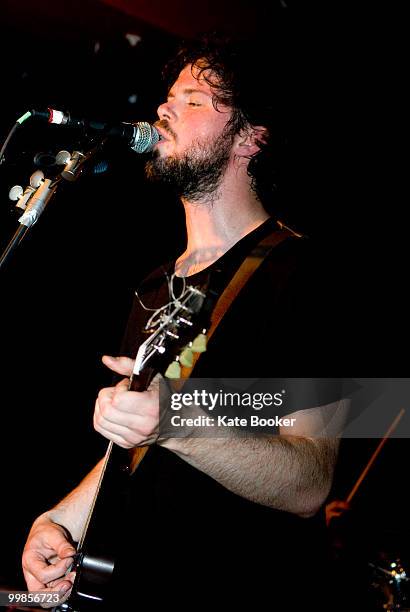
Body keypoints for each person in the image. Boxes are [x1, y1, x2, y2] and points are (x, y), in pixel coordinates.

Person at [22, 36, 349, 609]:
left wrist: (175, 420)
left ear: (251, 138)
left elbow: (310, 481)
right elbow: (137, 447)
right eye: (167, 97)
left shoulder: (304, 273)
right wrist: (61, 520)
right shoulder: (154, 285)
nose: (163, 110)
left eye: (194, 99)